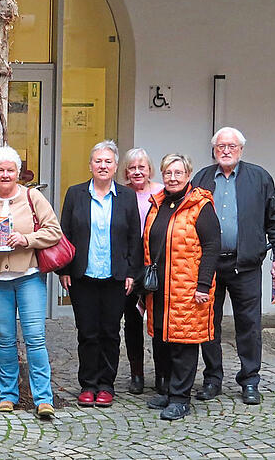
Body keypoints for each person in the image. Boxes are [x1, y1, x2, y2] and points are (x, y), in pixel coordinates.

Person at [193, 127, 275, 405]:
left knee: (249, 325)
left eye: (231, 146)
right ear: (214, 150)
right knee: (209, 325)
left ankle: (249, 380)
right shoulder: (201, 179)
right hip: (209, 266)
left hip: (245, 264)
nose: (226, 150)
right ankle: (212, 378)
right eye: (221, 146)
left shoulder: (259, 177)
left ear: (241, 150)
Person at [0, 146, 63, 420]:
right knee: (6, 340)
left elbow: (53, 230)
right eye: (1, 170)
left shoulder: (33, 197)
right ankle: (7, 395)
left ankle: (43, 398)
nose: (5, 175)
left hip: (28, 277)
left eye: (11, 170)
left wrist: (26, 240)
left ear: (18, 173)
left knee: (34, 338)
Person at [57, 140, 142, 408]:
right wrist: (64, 269)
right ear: (90, 165)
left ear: (116, 166)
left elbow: (134, 239)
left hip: (115, 277)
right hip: (83, 276)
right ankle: (88, 384)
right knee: (87, 332)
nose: (103, 166)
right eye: (98, 161)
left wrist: (131, 272)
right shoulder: (75, 194)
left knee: (110, 332)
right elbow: (65, 234)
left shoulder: (127, 197)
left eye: (108, 161)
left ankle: (106, 384)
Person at [143, 154, 220, 420]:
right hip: (160, 287)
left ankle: (180, 397)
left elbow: (211, 248)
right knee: (161, 339)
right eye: (168, 173)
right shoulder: (158, 204)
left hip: (188, 288)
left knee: (184, 343)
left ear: (188, 175)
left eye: (178, 173)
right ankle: (165, 389)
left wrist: (203, 284)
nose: (173, 178)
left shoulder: (200, 206)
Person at [121, 147, 164, 394]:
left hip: (157, 264)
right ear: (126, 171)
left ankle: (161, 374)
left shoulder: (161, 192)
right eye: (132, 168)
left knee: (159, 321)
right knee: (133, 321)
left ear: (150, 169)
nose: (137, 172)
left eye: (142, 167)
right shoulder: (122, 194)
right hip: (131, 265)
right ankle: (136, 373)